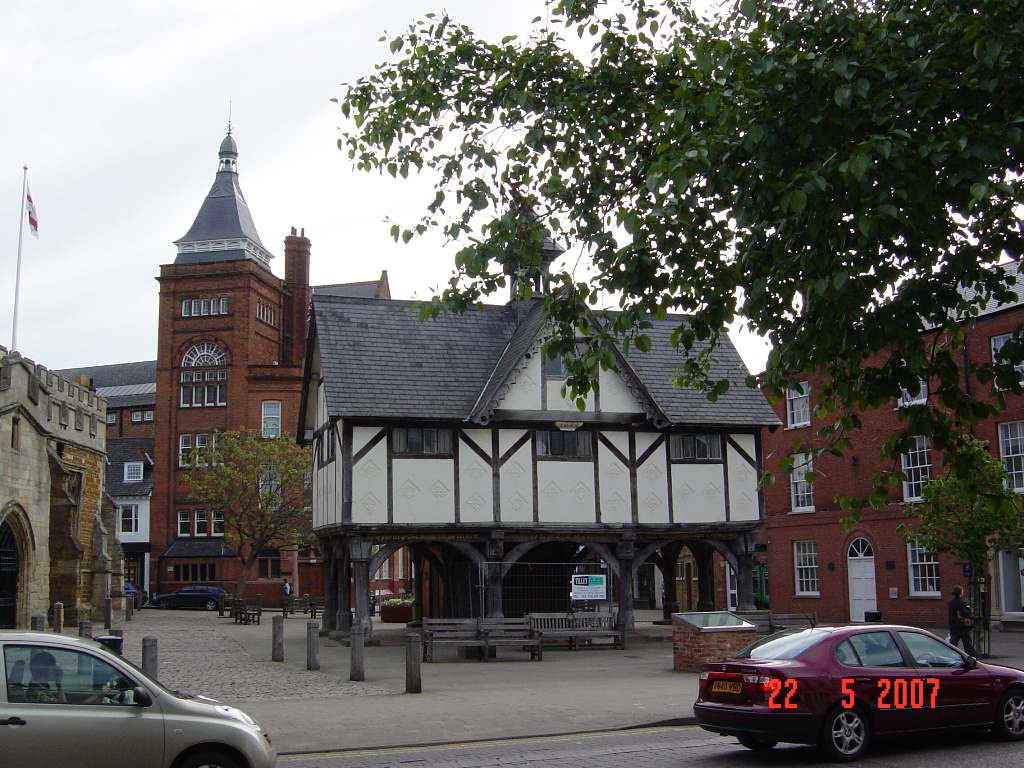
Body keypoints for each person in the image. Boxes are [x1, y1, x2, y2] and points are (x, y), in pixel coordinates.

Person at [948, 584, 977, 656]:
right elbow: (966, 612)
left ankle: (950, 655)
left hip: (954, 626)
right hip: (963, 626)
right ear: (961, 593)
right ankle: (971, 657)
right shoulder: (963, 602)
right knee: (967, 644)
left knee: (953, 644)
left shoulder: (951, 603)